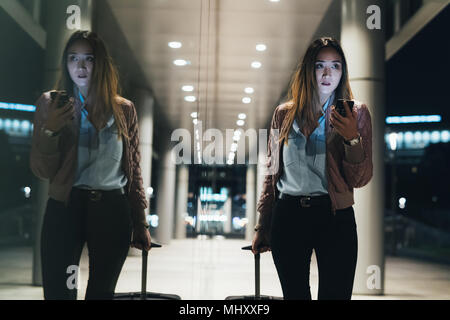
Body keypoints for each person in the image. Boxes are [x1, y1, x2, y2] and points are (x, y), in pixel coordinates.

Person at [30, 30, 151, 300]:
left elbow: (133, 171)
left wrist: (140, 221)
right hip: (65, 207)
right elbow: (41, 170)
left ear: (101, 64)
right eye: (73, 58)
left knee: (101, 293)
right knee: (59, 293)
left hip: (111, 209)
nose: (81, 67)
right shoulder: (51, 104)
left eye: (89, 59)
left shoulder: (125, 110)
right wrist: (50, 131)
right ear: (65, 63)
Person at [252, 37, 373, 300]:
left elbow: (360, 178)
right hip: (289, 216)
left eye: (336, 66)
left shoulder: (357, 113)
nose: (328, 73)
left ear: (343, 72)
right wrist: (263, 225)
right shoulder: (283, 114)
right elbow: (272, 173)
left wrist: (352, 138)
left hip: (334, 216)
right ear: (309, 69)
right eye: (320, 66)